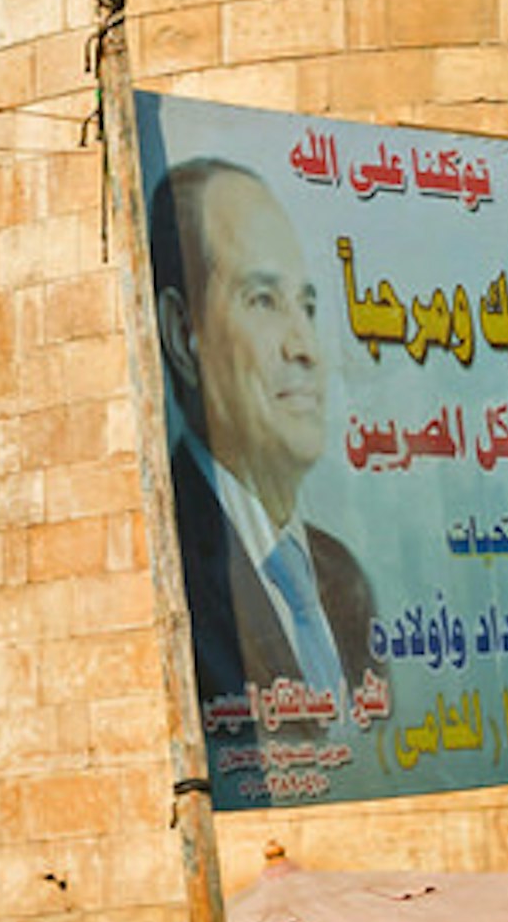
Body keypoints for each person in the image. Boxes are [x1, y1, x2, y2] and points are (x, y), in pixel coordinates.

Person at [150, 157, 376, 801]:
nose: (304, 345)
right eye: (263, 301)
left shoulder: (342, 578)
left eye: (305, 304)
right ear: (182, 333)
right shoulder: (169, 573)